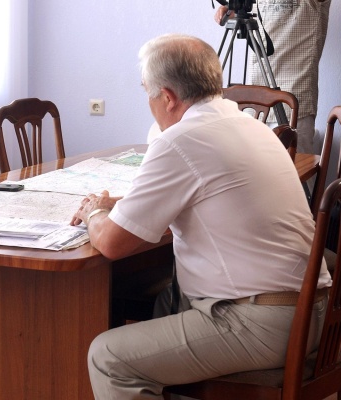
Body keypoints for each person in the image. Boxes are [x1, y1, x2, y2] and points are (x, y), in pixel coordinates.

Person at [71, 33, 332, 399]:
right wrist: (122, 204)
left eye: (147, 92)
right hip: (316, 312)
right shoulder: (250, 125)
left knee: (108, 357)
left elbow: (113, 244)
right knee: (167, 301)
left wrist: (95, 212)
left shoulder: (180, 140)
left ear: (167, 97)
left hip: (266, 325)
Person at [214, 0, 331, 155]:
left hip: (293, 104)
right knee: (252, 167)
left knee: (295, 168)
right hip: (254, 105)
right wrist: (235, 7)